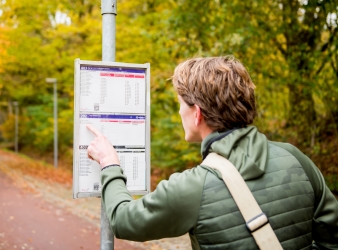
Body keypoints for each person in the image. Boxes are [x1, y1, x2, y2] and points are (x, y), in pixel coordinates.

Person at [87, 56, 338, 249]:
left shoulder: (192, 187)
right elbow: (332, 235)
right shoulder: (296, 158)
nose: (178, 113)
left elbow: (123, 220)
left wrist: (109, 164)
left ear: (197, 114)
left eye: (180, 105)